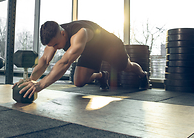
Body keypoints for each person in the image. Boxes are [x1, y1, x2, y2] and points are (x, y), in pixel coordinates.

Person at [17, 20, 149, 98]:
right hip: (91, 49)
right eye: (53, 46)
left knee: (127, 66)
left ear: (63, 33)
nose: (55, 48)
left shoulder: (79, 34)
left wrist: (40, 85)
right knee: (78, 81)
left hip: (110, 46)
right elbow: (45, 61)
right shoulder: (55, 36)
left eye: (56, 45)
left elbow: (65, 62)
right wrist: (30, 80)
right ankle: (102, 76)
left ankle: (143, 75)